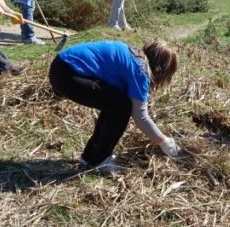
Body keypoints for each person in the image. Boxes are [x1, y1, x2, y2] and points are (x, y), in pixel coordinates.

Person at [49, 40, 182, 174]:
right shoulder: (140, 70)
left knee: (115, 103)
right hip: (68, 73)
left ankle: (89, 157)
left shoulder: (133, 57)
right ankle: (99, 161)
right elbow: (140, 116)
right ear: (161, 69)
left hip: (61, 66)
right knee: (122, 106)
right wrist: (165, 142)